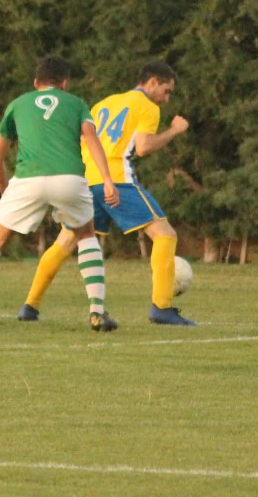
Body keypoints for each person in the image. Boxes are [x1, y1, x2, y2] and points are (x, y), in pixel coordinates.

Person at [0, 55, 120, 333]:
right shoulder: (76, 103)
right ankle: (97, 312)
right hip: (70, 178)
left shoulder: (17, 104)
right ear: (64, 83)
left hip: (27, 179)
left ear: (36, 83)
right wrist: (108, 181)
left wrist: (6, 191)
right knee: (86, 235)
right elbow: (91, 138)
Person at [17, 61, 196, 326]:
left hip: (86, 180)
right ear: (152, 82)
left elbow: (82, 140)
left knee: (65, 242)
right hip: (117, 180)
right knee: (165, 235)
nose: (167, 98)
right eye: (166, 91)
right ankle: (162, 307)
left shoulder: (104, 104)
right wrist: (174, 131)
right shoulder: (147, 107)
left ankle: (30, 306)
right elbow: (144, 148)